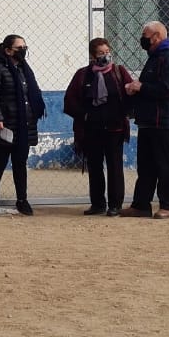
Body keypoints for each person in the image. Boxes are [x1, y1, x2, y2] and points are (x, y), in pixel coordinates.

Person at [63, 37, 135, 216]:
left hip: (115, 128)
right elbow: (70, 101)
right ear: (92, 56)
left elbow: (131, 94)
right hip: (91, 129)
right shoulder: (83, 75)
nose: (105, 56)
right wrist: (84, 115)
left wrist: (127, 111)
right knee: (94, 167)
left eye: (107, 52)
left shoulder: (119, 72)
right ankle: (97, 204)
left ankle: (115, 205)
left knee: (115, 167)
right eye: (101, 53)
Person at [121, 21, 169, 219]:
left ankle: (167, 205)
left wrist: (141, 87)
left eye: (145, 35)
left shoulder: (168, 59)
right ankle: (141, 205)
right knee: (146, 165)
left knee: (165, 165)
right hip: (147, 120)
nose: (143, 39)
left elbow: (167, 89)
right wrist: (135, 89)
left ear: (156, 36)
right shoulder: (154, 58)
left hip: (162, 121)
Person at [0, 34, 46, 216]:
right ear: (8, 50)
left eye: (24, 47)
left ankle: (22, 200)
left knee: (20, 164)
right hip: (5, 125)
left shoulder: (24, 68)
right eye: (19, 48)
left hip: (24, 126)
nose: (23, 51)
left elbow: (32, 91)